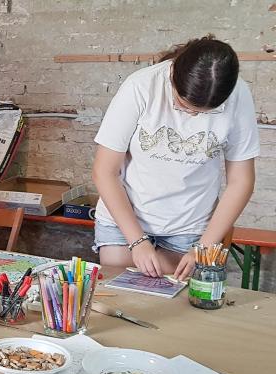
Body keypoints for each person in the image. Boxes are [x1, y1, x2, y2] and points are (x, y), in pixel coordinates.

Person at [92, 35, 258, 280]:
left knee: (175, 299)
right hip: (124, 220)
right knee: (122, 293)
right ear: (172, 75)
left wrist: (204, 246)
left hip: (189, 226)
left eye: (204, 113)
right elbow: (105, 172)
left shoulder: (239, 95)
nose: (192, 116)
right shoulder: (141, 86)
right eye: (184, 105)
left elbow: (241, 181)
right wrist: (137, 241)